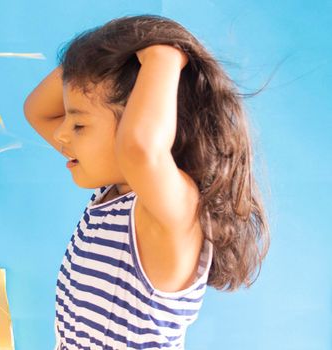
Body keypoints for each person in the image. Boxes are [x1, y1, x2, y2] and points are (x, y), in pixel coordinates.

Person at [23, 14, 270, 349]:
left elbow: (139, 149)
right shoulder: (112, 194)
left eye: (79, 125)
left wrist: (163, 54)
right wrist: (101, 54)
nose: (61, 133)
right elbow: (36, 110)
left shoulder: (171, 211)